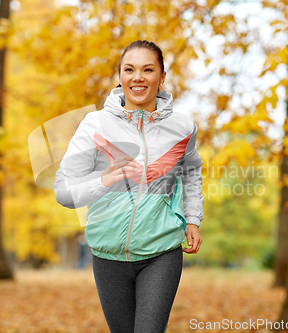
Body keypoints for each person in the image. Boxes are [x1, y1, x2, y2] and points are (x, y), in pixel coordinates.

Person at [54, 40, 204, 333]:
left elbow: (192, 172)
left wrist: (193, 218)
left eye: (148, 69)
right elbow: (64, 191)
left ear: (162, 77)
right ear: (120, 75)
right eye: (130, 69)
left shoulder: (182, 127)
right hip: (107, 254)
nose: (138, 77)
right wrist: (105, 180)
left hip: (161, 250)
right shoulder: (95, 125)